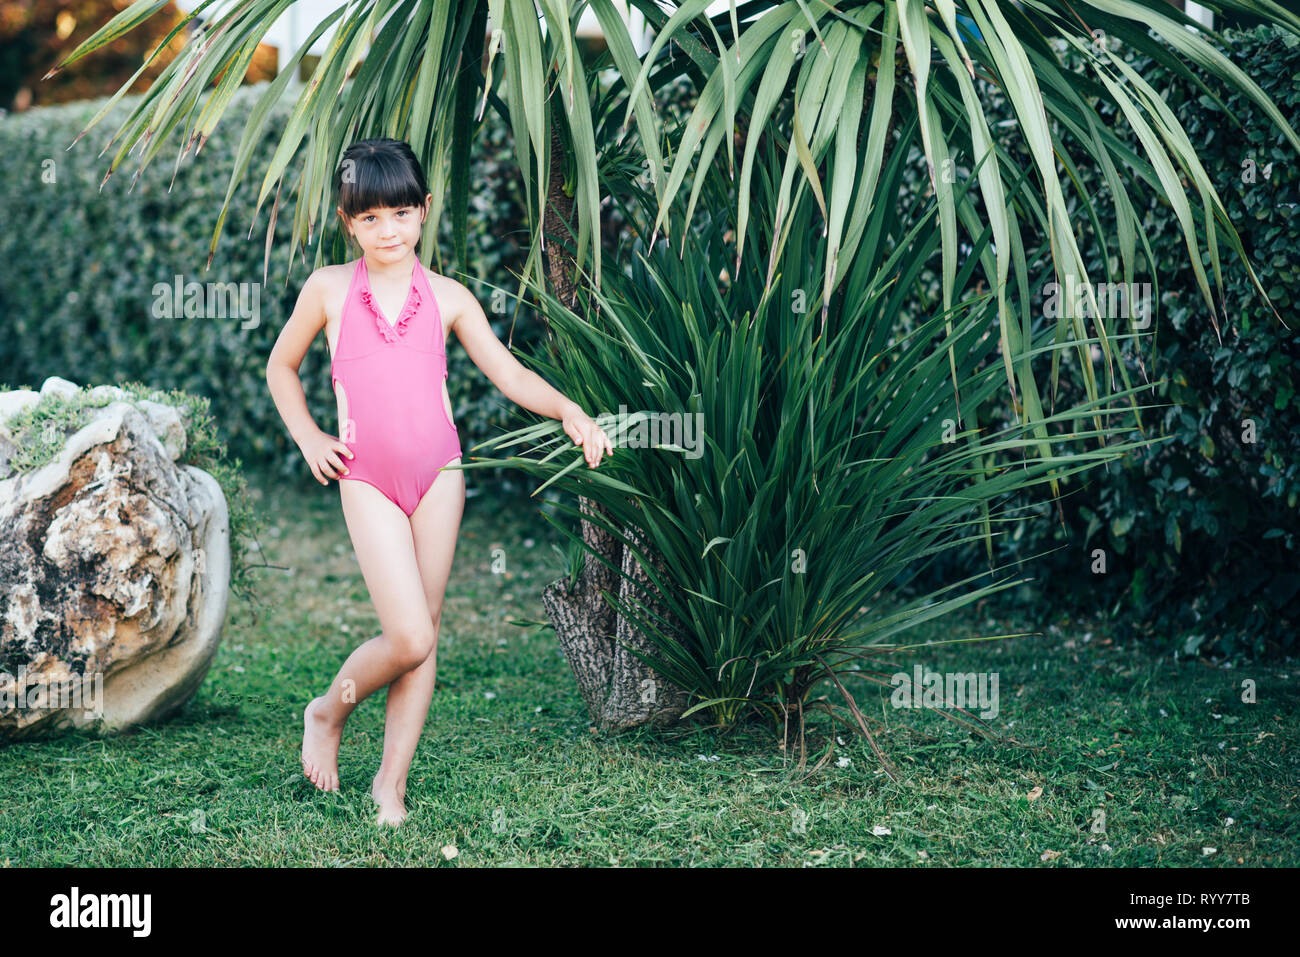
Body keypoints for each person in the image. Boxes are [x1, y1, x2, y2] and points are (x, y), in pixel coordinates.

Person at [265, 137, 613, 826]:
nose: (387, 230)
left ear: (424, 209)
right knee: (410, 636)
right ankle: (326, 710)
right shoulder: (329, 289)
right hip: (365, 475)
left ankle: (389, 784)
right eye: (369, 218)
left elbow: (508, 374)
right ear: (348, 221)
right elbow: (281, 366)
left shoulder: (449, 297)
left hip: (440, 475)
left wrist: (570, 409)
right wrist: (309, 435)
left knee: (428, 629)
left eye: (400, 212)